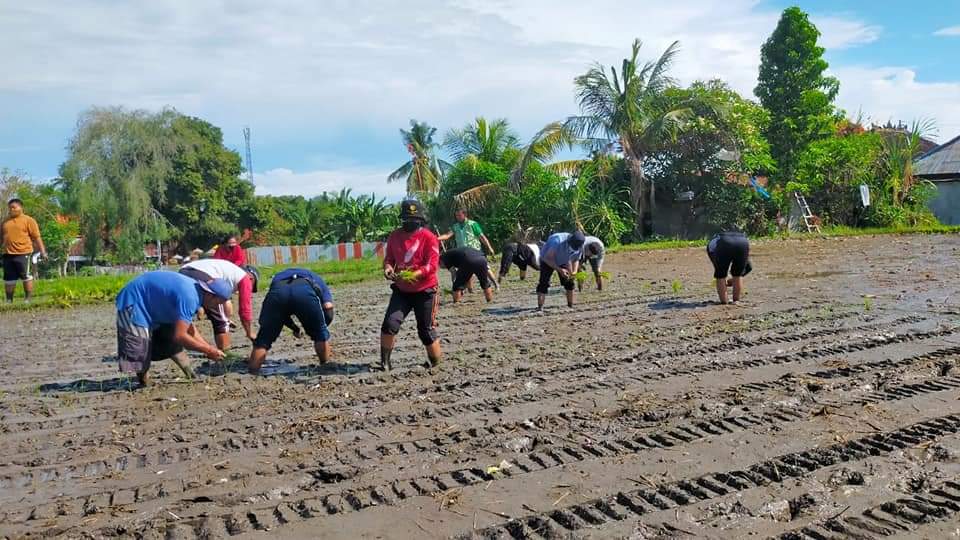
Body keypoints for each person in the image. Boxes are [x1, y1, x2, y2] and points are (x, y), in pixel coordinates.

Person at [115, 271, 232, 386]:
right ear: (212, 295)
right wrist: (208, 350)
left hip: (156, 305)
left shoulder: (196, 293)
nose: (217, 306)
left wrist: (209, 348)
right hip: (135, 301)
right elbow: (180, 336)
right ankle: (143, 382)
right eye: (219, 303)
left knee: (170, 340)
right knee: (139, 348)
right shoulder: (190, 297)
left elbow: (189, 328)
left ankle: (191, 375)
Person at [380, 198, 442, 370]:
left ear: (420, 220)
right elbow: (389, 259)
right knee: (389, 324)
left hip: (425, 290)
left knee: (426, 331)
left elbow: (432, 265)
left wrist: (415, 274)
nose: (410, 223)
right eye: (407, 220)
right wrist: (388, 268)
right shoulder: (395, 236)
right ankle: (385, 363)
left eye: (414, 220)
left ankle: (435, 364)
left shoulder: (429, 238)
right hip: (402, 290)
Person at [249, 268, 334, 374]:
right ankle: (324, 366)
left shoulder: (277, 278)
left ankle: (252, 372)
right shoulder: (316, 278)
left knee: (263, 339)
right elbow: (328, 306)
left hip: (278, 292)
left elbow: (282, 315)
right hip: (304, 291)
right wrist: (321, 328)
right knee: (320, 334)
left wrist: (295, 328)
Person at [179, 258, 260, 348]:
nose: (250, 289)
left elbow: (226, 301)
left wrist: (227, 318)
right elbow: (245, 310)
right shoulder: (245, 279)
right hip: (201, 275)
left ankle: (201, 346)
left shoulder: (230, 272)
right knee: (220, 321)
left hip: (183, 272)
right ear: (251, 278)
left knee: (185, 315)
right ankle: (225, 352)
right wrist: (249, 332)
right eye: (253, 286)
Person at [2, 198, 46, 303]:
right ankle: (9, 301)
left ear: (21, 208)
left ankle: (27, 299)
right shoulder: (5, 222)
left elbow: (37, 237)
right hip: (7, 254)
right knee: (9, 279)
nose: (11, 209)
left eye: (14, 207)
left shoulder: (28, 220)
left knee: (26, 276)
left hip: (24, 253)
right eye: (10, 208)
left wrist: (43, 252)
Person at [537, 231, 585, 310]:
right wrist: (560, 270)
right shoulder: (557, 241)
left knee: (570, 282)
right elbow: (548, 258)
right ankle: (540, 307)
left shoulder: (580, 245)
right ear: (569, 241)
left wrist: (574, 271)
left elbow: (576, 259)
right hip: (547, 259)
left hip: (564, 259)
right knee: (544, 283)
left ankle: (570, 305)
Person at [707, 230, 751, 304]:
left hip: (724, 243)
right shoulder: (739, 238)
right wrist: (733, 279)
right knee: (738, 274)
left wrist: (724, 278)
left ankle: (724, 302)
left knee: (720, 275)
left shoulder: (712, 244)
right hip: (743, 241)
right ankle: (736, 301)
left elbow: (718, 270)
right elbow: (749, 267)